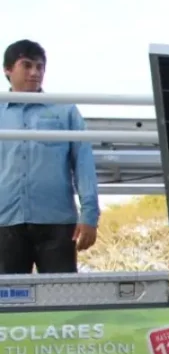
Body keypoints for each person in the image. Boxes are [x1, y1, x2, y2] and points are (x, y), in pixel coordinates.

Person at [0, 39, 99, 274]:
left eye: (40, 66)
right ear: (8, 70)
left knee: (62, 302)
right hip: (5, 222)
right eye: (27, 65)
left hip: (57, 223)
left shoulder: (64, 110)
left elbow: (83, 164)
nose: (35, 72)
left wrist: (90, 214)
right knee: (6, 305)